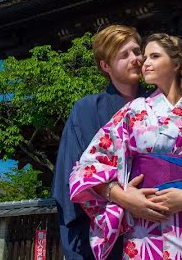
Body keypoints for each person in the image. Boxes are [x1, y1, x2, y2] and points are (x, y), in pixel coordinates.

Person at [69, 33, 182, 259]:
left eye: (154, 56)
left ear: (176, 63)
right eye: (145, 57)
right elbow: (89, 167)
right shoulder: (133, 111)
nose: (144, 63)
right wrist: (125, 198)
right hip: (146, 228)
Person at [53, 24, 149, 260]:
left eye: (137, 52)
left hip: (158, 227)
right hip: (107, 234)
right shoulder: (86, 110)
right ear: (105, 66)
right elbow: (70, 176)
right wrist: (122, 197)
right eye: (124, 55)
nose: (135, 59)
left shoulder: (161, 104)